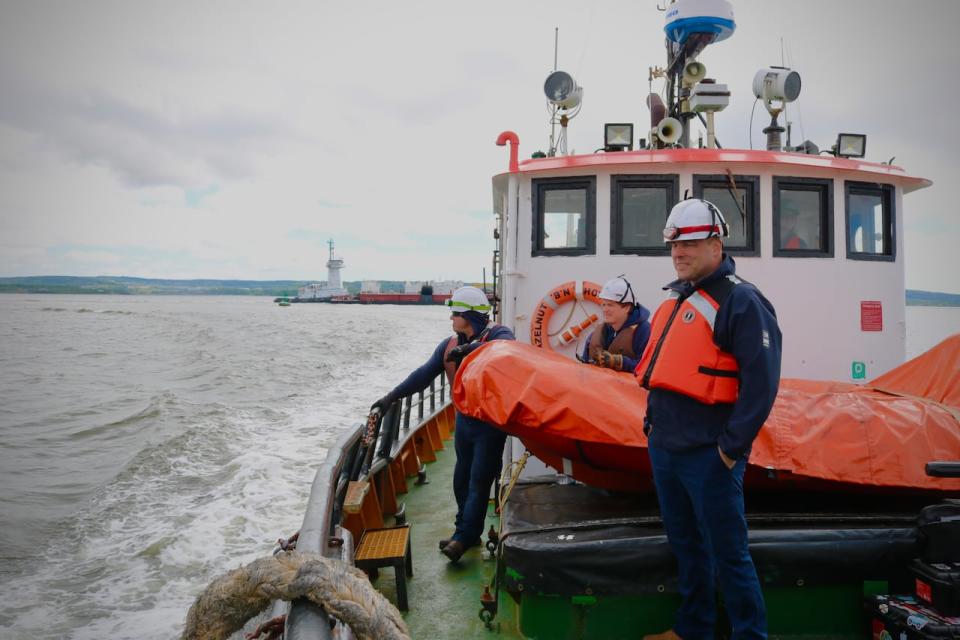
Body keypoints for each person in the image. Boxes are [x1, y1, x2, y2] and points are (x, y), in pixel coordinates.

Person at [636, 199, 782, 640]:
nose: (679, 253)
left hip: (708, 456)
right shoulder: (678, 299)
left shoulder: (741, 300)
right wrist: (652, 429)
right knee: (687, 546)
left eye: (691, 244)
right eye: (674, 246)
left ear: (716, 244)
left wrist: (728, 450)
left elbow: (762, 385)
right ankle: (694, 628)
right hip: (666, 448)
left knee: (729, 554)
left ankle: (749, 635)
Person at [370, 285, 515, 562]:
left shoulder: (498, 334)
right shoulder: (448, 346)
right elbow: (423, 375)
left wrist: (469, 348)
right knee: (461, 478)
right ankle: (467, 533)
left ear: (469, 315)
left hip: (489, 424)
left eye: (455, 314)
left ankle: (463, 536)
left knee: (479, 480)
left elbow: (504, 349)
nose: (451, 319)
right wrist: (391, 397)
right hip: (464, 421)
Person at [580, 275, 651, 372]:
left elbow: (648, 369)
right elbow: (584, 366)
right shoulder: (597, 334)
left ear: (626, 308)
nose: (605, 310)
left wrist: (620, 362)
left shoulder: (644, 331)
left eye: (610, 305)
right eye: (603, 305)